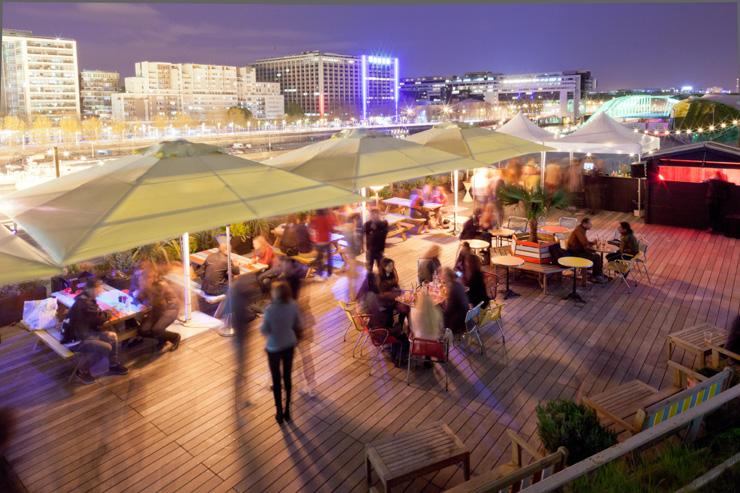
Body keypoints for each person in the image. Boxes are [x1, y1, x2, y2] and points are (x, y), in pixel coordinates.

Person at [67, 279, 128, 384]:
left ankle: (113, 365)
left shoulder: (85, 297)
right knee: (106, 347)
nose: (101, 291)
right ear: (92, 289)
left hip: (83, 333)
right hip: (76, 340)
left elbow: (95, 317)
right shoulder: (85, 304)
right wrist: (108, 313)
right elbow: (99, 319)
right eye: (99, 288)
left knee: (112, 336)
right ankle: (82, 371)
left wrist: (103, 314)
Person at [261, 281, 301, 424]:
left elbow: (264, 330)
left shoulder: (270, 309)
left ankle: (279, 412)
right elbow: (298, 323)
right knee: (287, 377)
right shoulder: (293, 305)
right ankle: (288, 411)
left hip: (274, 347)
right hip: (289, 344)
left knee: (276, 380)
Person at [137, 272, 182, 351]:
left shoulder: (160, 285)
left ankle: (175, 337)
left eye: (146, 278)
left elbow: (161, 304)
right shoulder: (146, 286)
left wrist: (147, 306)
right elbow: (139, 297)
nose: (143, 281)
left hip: (170, 308)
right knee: (143, 330)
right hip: (157, 309)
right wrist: (140, 303)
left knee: (157, 329)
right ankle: (162, 338)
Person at [566, 217, 607, 283]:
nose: (591, 225)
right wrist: (592, 249)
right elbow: (584, 244)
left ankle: (598, 274)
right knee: (596, 257)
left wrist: (592, 243)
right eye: (590, 223)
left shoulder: (581, 229)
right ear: (584, 224)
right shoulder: (579, 230)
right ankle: (597, 276)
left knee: (595, 255)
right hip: (574, 253)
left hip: (578, 251)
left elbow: (585, 243)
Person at [377, 258, 409, 329]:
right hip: (384, 302)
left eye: (392, 265)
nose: (392, 268)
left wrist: (399, 291)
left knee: (406, 308)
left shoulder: (392, 273)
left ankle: (400, 324)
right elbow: (381, 294)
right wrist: (396, 293)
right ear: (384, 267)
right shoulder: (379, 278)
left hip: (394, 298)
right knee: (389, 318)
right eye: (389, 266)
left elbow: (396, 285)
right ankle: (391, 329)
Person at [310, 209, 337, 280]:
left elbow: (312, 228)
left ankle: (319, 275)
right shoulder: (326, 218)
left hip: (318, 241)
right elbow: (331, 227)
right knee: (329, 258)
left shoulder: (315, 219)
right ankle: (330, 274)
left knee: (320, 258)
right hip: (326, 241)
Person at [442, 268, 469, 335]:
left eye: (443, 279)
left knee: (440, 315)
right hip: (466, 315)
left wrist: (444, 306)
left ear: (447, 279)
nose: (442, 280)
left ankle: (445, 338)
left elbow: (448, 312)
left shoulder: (452, 290)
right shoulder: (458, 284)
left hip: (458, 320)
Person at [363, 208, 389, 273]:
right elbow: (364, 232)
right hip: (370, 250)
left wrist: (374, 230)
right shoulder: (367, 224)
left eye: (376, 214)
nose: (374, 216)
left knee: (380, 267)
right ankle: (369, 279)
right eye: (372, 214)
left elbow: (384, 233)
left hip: (379, 250)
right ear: (370, 215)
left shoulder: (383, 224)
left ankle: (381, 279)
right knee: (369, 268)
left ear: (378, 215)